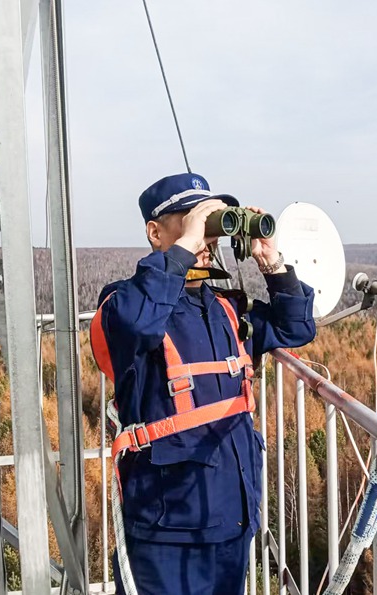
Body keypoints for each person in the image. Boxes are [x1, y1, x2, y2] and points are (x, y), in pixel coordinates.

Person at [94, 173, 316, 595]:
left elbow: (297, 327)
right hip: (168, 534)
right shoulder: (126, 304)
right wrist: (184, 248)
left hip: (233, 517)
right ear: (155, 233)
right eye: (192, 218)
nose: (207, 234)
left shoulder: (226, 311)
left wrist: (271, 261)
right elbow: (137, 322)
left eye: (213, 221)